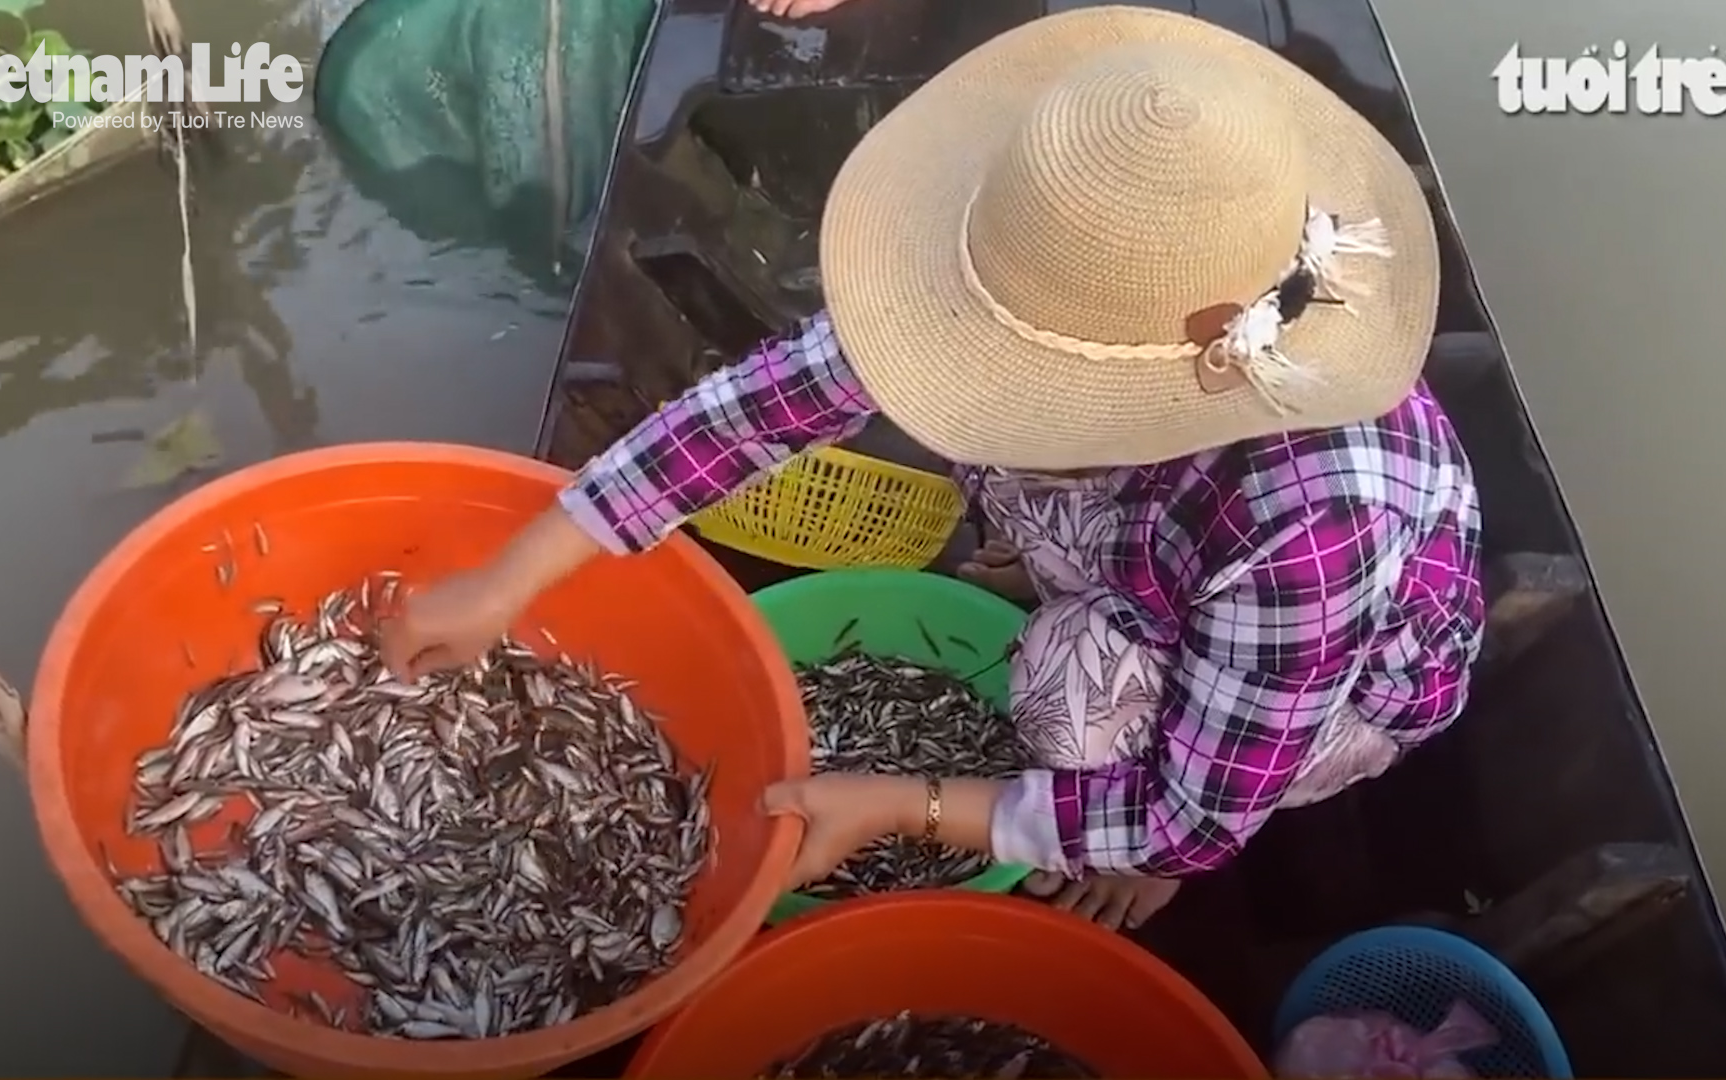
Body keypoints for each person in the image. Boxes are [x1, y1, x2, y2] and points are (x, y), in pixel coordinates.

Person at [381, 6, 1483, 932]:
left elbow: (1188, 813)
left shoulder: (1313, 528)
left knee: (1073, 697)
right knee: (1073, 627)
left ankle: (1151, 867)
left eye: (1016, 379)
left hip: (1342, 681)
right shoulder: (1016, 261)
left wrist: (906, 804)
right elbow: (744, 415)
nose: (974, 372)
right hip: (1159, 558)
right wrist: (513, 576)